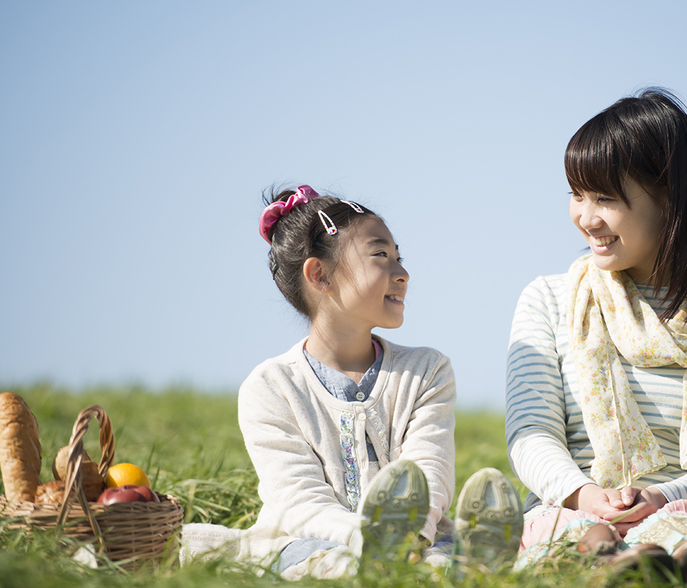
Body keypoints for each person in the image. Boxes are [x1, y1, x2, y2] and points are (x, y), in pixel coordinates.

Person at [505, 89, 687, 576]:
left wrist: (662, 497)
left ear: (668, 199)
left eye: (606, 199)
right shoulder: (549, 299)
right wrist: (589, 497)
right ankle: (611, 562)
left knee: (686, 536)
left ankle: (677, 565)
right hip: (573, 510)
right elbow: (531, 435)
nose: (586, 218)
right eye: (577, 195)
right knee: (583, 538)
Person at [181, 185, 522, 579]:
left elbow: (431, 470)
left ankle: (469, 563)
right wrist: (370, 540)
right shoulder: (271, 387)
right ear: (320, 275)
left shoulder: (426, 370)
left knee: (438, 559)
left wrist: (406, 539)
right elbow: (299, 501)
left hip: (419, 542)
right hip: (309, 542)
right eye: (381, 256)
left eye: (399, 257)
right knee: (331, 564)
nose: (403, 273)